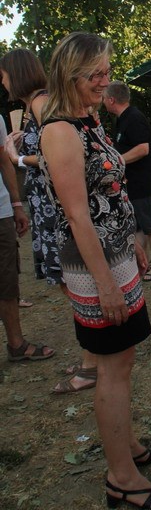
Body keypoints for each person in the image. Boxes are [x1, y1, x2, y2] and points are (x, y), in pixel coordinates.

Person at [39, 32, 151, 509]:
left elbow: (110, 192)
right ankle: (121, 478)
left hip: (116, 255)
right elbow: (78, 217)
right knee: (112, 368)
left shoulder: (89, 118)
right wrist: (105, 284)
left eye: (107, 72)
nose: (104, 81)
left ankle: (128, 447)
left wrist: (132, 242)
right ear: (69, 75)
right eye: (94, 74)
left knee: (123, 360)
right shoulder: (60, 130)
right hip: (94, 266)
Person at [0, 48, 99, 393]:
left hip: (54, 209)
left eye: (4, 76)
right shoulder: (35, 105)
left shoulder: (42, 103)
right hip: (46, 208)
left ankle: (92, 364)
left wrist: (16, 157)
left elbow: (56, 156)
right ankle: (91, 357)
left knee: (75, 284)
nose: (3, 82)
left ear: (17, 74)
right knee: (71, 284)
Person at [0, 112, 55, 363]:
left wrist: (16, 205)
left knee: (6, 279)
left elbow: (4, 161)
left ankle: (16, 344)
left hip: (1, 213)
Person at [102, 82, 151, 282]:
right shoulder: (122, 119)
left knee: (149, 224)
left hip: (141, 182)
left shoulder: (134, 118)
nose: (102, 102)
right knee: (137, 226)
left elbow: (143, 148)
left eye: (104, 98)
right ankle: (140, 264)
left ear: (112, 100)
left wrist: (117, 161)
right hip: (130, 183)